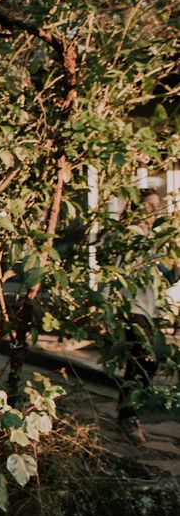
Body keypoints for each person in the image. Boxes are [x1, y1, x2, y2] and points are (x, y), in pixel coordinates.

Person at [117, 187, 163, 443]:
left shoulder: (150, 236)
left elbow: (165, 275)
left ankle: (126, 413)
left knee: (142, 365)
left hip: (148, 310)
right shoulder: (132, 236)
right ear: (136, 208)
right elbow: (119, 274)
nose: (154, 211)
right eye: (149, 205)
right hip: (132, 310)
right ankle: (128, 416)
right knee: (144, 363)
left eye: (157, 205)